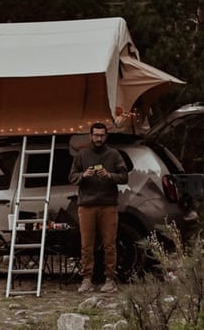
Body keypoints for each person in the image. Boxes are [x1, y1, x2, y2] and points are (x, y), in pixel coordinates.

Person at [68, 121, 129, 293]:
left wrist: (110, 175)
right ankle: (87, 279)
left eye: (102, 135)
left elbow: (124, 177)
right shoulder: (82, 154)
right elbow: (71, 176)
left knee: (110, 244)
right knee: (87, 245)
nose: (99, 138)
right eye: (96, 135)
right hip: (86, 205)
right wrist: (83, 175)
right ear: (90, 136)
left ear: (106, 136)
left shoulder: (114, 154)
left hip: (108, 205)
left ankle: (110, 279)